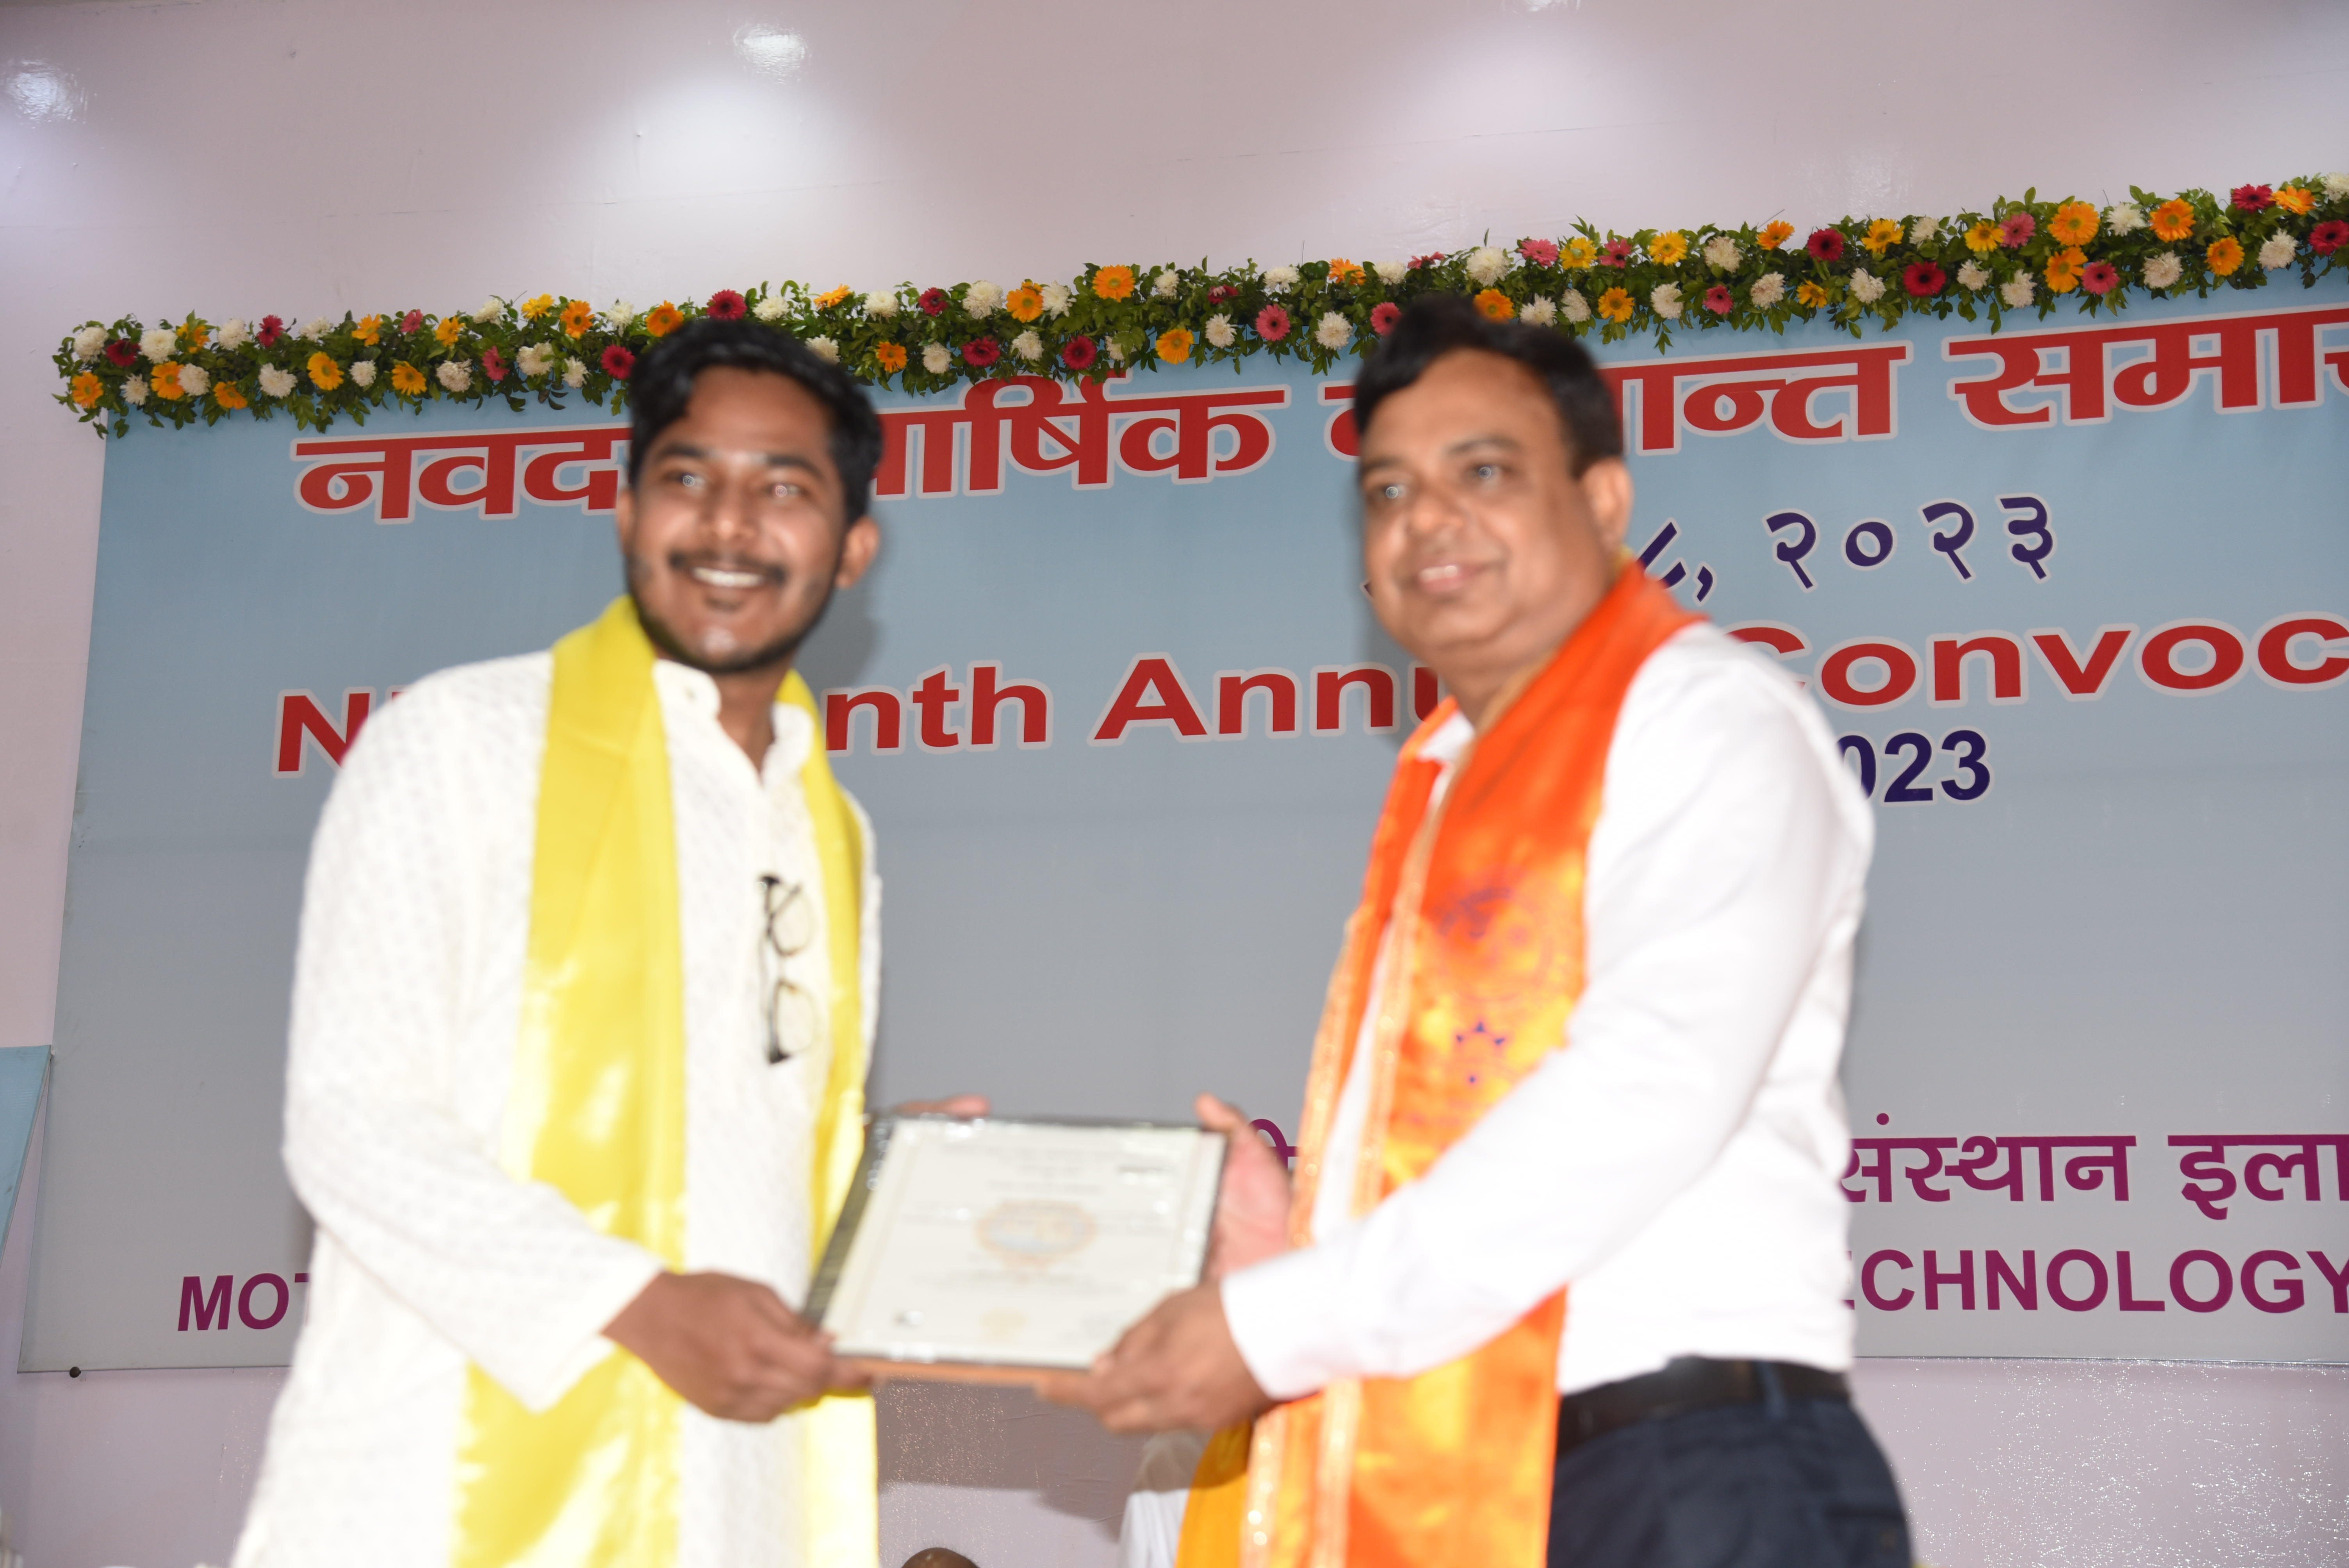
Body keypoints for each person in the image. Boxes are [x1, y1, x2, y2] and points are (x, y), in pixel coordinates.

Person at [1054, 296, 1910, 1568]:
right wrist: (1295, 1250)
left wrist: (1274, 1324)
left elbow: (1644, 1087)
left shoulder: (1704, 718)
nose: (1428, 520)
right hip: (1483, 1471)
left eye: (1486, 473)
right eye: (1389, 491)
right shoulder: (1451, 777)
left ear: (1605, 501)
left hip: (1683, 1472)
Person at [233, 317, 977, 1568]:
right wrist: (632, 1303)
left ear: (854, 547)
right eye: (688, 477)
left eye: (784, 489)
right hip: (432, 1494)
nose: (729, 524)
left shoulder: (829, 829)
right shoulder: (462, 743)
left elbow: (748, 1146)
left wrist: (892, 1201)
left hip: (729, 1503)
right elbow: (353, 1121)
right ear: (628, 512)